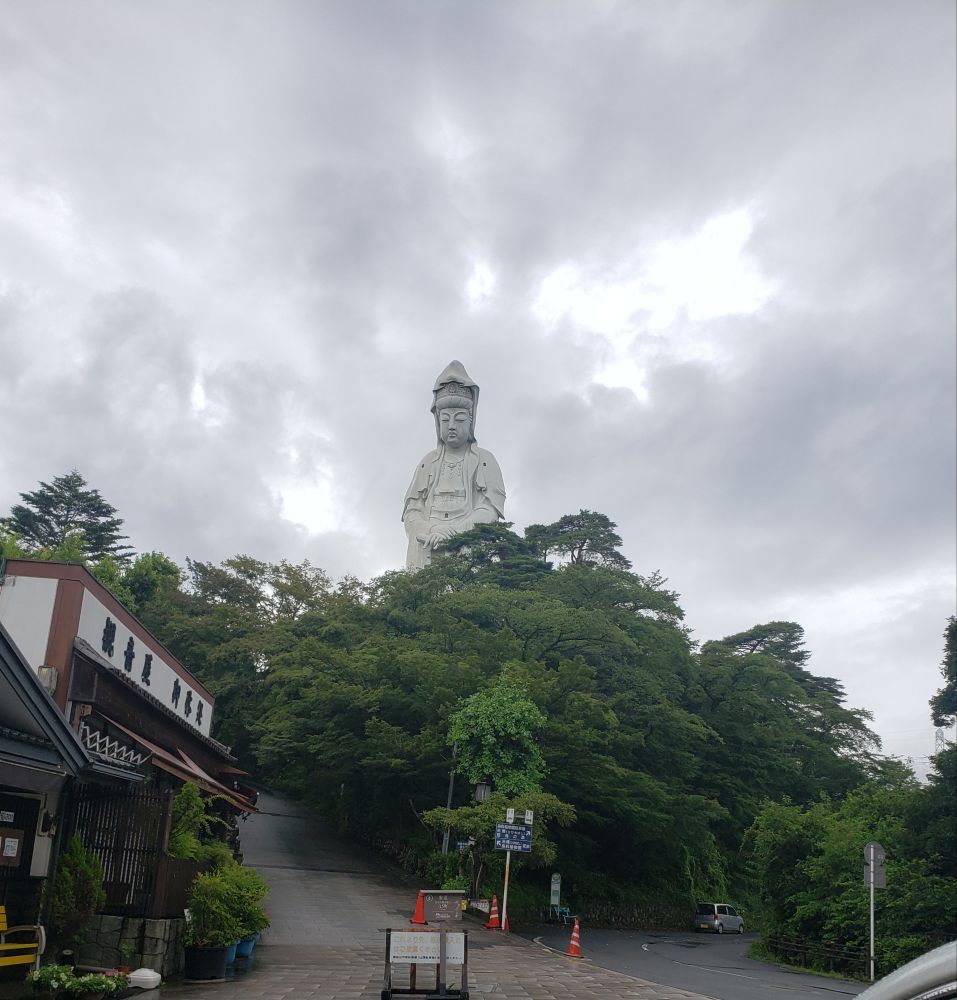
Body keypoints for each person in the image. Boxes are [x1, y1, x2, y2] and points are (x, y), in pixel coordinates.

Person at [402, 361, 506, 569]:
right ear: (438, 422)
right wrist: (430, 530)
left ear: (470, 421)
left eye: (458, 420)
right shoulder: (428, 462)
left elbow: (489, 508)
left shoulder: (484, 459)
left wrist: (456, 531)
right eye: (445, 420)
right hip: (427, 542)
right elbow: (412, 510)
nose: (451, 426)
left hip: (466, 542)